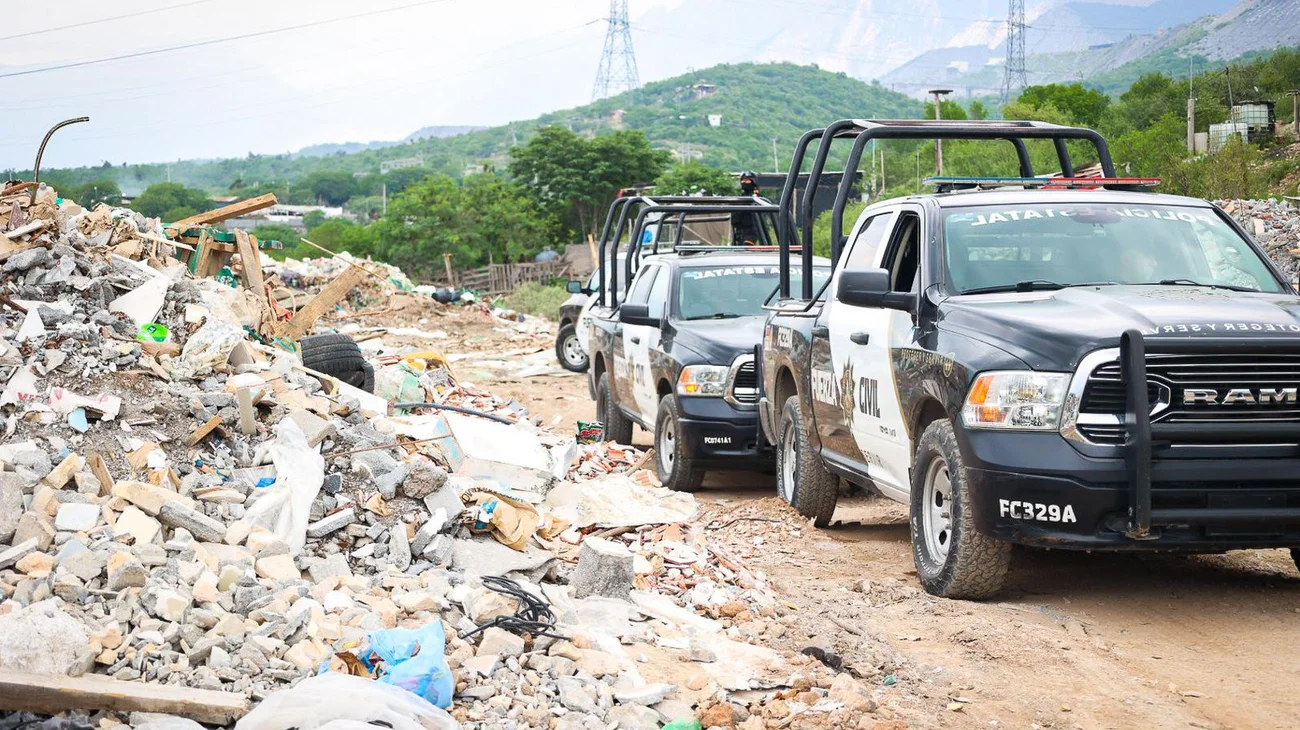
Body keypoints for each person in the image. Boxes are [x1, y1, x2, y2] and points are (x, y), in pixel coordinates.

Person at [732, 171, 763, 245]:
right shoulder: (741, 197)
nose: (744, 182)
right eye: (742, 180)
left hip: (751, 231)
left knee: (746, 248)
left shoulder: (756, 197)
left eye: (746, 180)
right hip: (739, 231)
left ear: (753, 181)